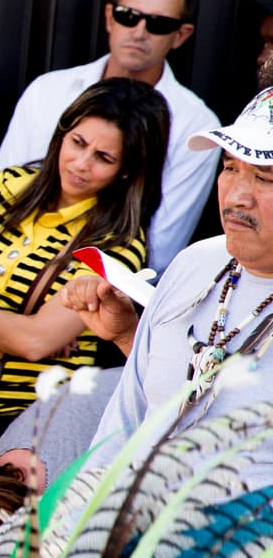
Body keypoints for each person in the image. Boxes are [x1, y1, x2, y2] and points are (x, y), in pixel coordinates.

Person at [0, 78, 169, 448]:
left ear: (128, 170)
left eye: (104, 158)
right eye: (77, 143)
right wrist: (15, 330)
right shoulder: (7, 186)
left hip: (32, 429)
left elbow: (34, 342)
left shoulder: (116, 245)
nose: (81, 164)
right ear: (62, 133)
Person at [82, 86, 273, 488]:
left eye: (264, 177)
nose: (238, 196)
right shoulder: (195, 263)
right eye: (230, 167)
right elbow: (122, 424)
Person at [0, 0, 219, 272]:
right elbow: (4, 196)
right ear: (110, 17)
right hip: (0, 269)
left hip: (100, 292)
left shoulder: (197, 126)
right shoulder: (48, 91)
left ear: (180, 34)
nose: (139, 32)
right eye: (129, 16)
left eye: (158, 23)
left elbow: (160, 250)